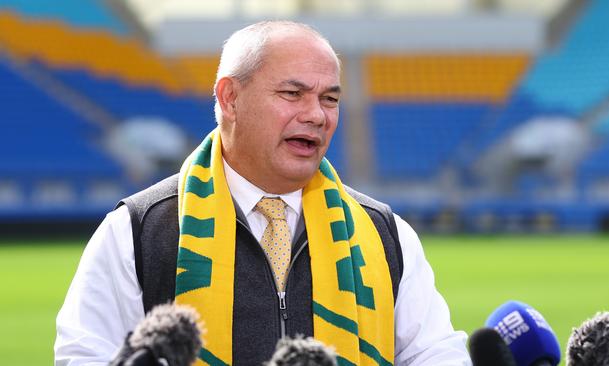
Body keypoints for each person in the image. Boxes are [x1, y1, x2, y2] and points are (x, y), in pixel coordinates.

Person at [55, 21, 470, 365]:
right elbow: (83, 355)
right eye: (293, 93)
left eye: (330, 99)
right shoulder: (137, 230)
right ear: (230, 98)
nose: (316, 115)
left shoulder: (385, 233)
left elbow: (436, 354)